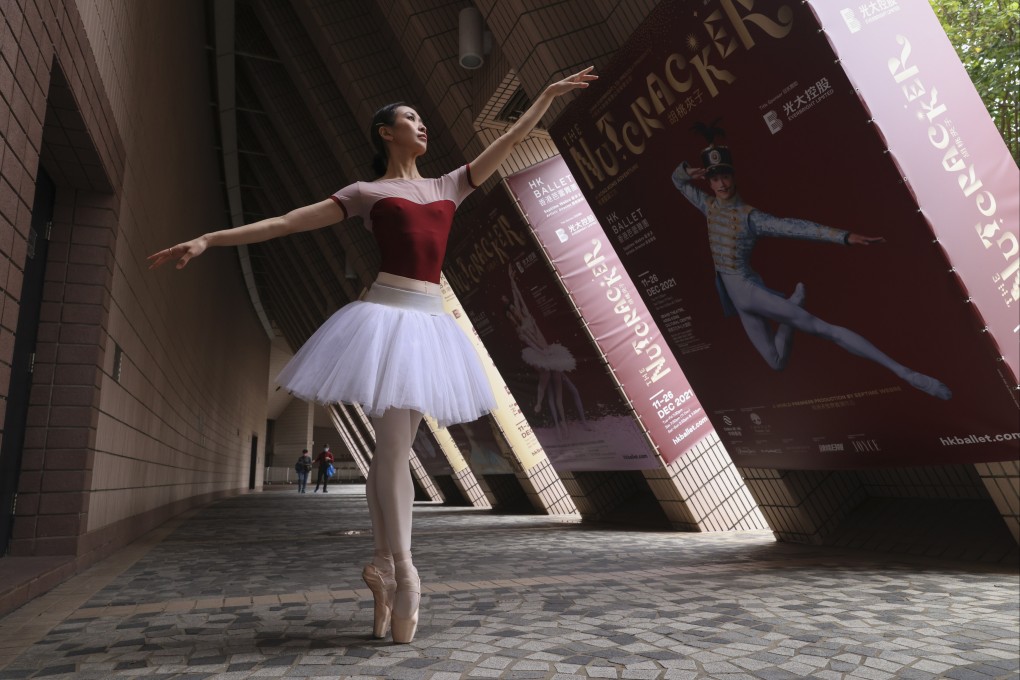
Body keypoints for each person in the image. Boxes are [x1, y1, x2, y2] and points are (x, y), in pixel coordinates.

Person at [147, 66, 596, 644]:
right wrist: (211, 238)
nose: (422, 125)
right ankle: (405, 571)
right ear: (385, 132)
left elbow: (507, 144)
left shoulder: (449, 185)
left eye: (422, 119)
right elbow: (287, 222)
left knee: (397, 449)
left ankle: (387, 566)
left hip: (431, 321)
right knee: (392, 448)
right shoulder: (365, 194)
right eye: (410, 118)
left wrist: (547, 99)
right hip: (384, 318)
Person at [669, 134, 951, 400]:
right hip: (738, 299)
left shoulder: (750, 218)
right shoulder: (709, 205)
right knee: (776, 363)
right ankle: (795, 303)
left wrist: (843, 237)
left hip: (750, 291)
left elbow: (795, 228)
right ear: (710, 182)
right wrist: (687, 172)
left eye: (726, 176)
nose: (722, 184)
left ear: (733, 177)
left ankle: (907, 373)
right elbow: (678, 182)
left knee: (822, 329)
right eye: (716, 178)